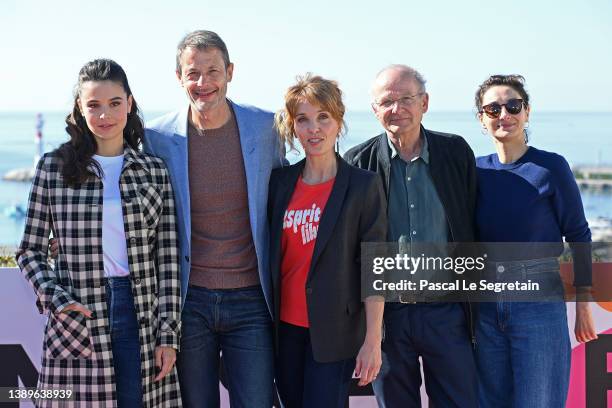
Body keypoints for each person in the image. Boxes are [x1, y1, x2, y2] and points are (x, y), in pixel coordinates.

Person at [17, 59, 181, 407]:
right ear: (80, 107)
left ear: (130, 103)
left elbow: (167, 260)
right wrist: (59, 301)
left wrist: (167, 334)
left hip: (141, 316)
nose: (105, 115)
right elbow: (29, 251)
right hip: (79, 313)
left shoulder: (153, 171)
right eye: (94, 105)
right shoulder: (53, 168)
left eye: (114, 104)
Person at [143, 30, 286, 407]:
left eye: (212, 71)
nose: (203, 83)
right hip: (189, 301)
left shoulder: (267, 127)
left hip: (252, 298)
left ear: (230, 72)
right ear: (179, 78)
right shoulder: (155, 137)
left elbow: (287, 194)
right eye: (193, 73)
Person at [344, 64, 479, 407]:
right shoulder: (357, 162)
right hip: (387, 320)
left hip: (447, 314)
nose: (397, 109)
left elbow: (474, 221)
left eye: (407, 99)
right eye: (386, 101)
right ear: (374, 109)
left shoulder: (455, 152)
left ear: (425, 103)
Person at [474, 74, 598, 407]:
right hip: (483, 304)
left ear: (527, 112)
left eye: (513, 105)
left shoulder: (551, 167)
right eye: (493, 108)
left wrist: (583, 306)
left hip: (538, 303)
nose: (504, 115)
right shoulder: (474, 171)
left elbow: (579, 235)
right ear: (481, 119)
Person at [269, 74, 386, 408]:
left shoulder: (363, 186)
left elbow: (375, 265)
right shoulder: (280, 182)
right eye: (303, 120)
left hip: (336, 333)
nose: (313, 129)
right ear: (293, 127)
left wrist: (373, 341)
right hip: (285, 332)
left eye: (323, 118)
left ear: (339, 122)